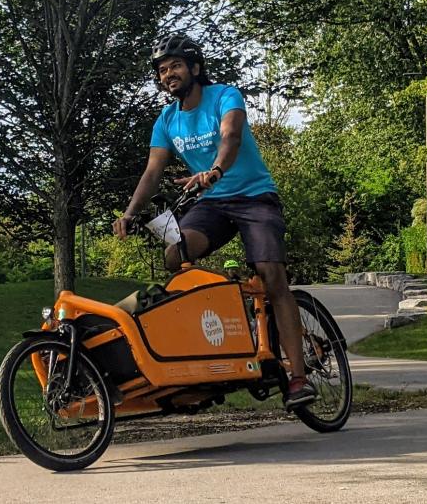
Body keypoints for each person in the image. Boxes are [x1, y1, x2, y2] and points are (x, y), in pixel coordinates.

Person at [111, 33, 317, 408]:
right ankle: (230, 317)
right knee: (178, 257)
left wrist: (215, 171)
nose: (168, 74)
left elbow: (231, 136)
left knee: (272, 275)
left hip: (254, 197)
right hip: (213, 203)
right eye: (161, 70)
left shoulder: (224, 96)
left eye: (174, 66)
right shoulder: (167, 119)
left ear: (194, 67)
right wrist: (129, 212)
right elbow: (152, 170)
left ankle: (299, 379)